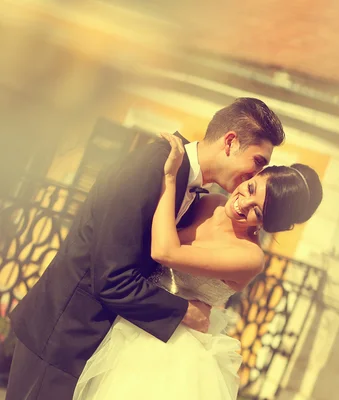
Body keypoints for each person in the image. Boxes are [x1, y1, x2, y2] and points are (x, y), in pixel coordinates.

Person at [6, 98, 285, 400]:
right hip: (62, 337)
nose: (255, 176)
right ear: (230, 142)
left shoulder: (190, 188)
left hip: (97, 345)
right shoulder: (153, 167)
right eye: (258, 162)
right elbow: (111, 278)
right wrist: (185, 313)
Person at [72, 133, 323, 399]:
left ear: (265, 224)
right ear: (253, 177)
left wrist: (169, 177)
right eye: (251, 188)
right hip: (133, 314)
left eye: (257, 212)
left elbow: (164, 251)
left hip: (172, 350)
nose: (243, 204)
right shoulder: (210, 203)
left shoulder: (249, 257)